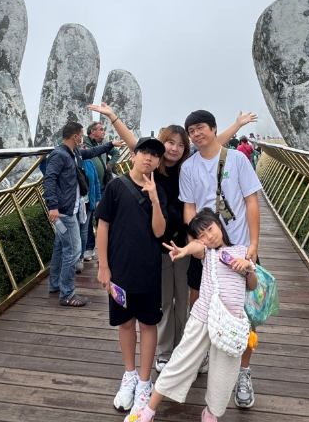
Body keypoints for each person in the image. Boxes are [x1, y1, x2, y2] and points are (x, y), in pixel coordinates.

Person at [87, 103, 257, 374]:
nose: (174, 148)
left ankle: (185, 348)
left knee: (188, 300)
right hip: (162, 248)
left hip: (190, 245)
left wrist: (236, 126)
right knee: (165, 302)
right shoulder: (152, 169)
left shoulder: (188, 168)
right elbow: (135, 143)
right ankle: (166, 352)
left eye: (181, 143)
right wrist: (112, 117)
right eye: (169, 143)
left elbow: (212, 143)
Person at [124, 208, 258, 422]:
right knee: (181, 360)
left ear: (219, 224)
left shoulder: (241, 251)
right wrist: (184, 250)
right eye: (202, 235)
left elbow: (252, 285)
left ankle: (211, 413)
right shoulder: (207, 253)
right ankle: (148, 410)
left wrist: (248, 268)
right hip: (203, 317)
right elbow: (196, 246)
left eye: (211, 229)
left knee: (224, 372)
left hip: (231, 323)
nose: (209, 237)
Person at [180, 109, 262, 409]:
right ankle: (204, 349)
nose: (196, 134)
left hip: (238, 247)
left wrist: (253, 244)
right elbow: (189, 208)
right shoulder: (188, 167)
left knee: (244, 311)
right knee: (197, 298)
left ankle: (243, 371)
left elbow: (251, 200)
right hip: (204, 248)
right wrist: (194, 244)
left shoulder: (238, 160)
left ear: (214, 129)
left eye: (200, 128)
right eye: (191, 131)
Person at [96, 137, 168, 415]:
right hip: (120, 270)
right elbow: (103, 226)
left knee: (148, 325)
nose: (148, 158)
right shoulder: (115, 186)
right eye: (144, 153)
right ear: (134, 154)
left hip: (148, 269)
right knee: (125, 324)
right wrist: (104, 266)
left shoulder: (158, 191)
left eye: (154, 155)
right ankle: (130, 376)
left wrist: (153, 198)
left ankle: (145, 381)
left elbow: (160, 231)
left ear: (159, 162)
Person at [43, 121, 121, 307]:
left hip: (72, 207)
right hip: (64, 211)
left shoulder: (74, 153)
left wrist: (110, 145)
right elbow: (49, 180)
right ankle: (67, 294)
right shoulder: (59, 155)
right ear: (75, 136)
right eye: (80, 136)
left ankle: (55, 285)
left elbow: (91, 152)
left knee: (61, 247)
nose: (82, 140)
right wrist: (53, 206)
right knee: (73, 250)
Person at [81, 121, 116, 263]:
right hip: (89, 190)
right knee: (88, 220)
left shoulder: (101, 145)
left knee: (103, 218)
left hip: (102, 186)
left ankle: (106, 248)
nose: (104, 132)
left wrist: (111, 163)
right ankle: (89, 248)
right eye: (101, 129)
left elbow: (116, 152)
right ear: (92, 132)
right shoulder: (85, 146)